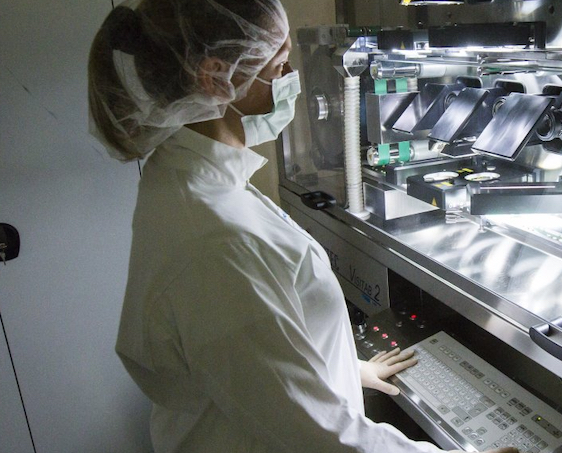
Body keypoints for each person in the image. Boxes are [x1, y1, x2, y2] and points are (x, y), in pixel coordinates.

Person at [87, 1, 518, 452]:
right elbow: (315, 438)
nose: (291, 74)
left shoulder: (189, 176)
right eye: (278, 64)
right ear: (216, 76)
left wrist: (344, 371)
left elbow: (254, 363)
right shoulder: (219, 239)